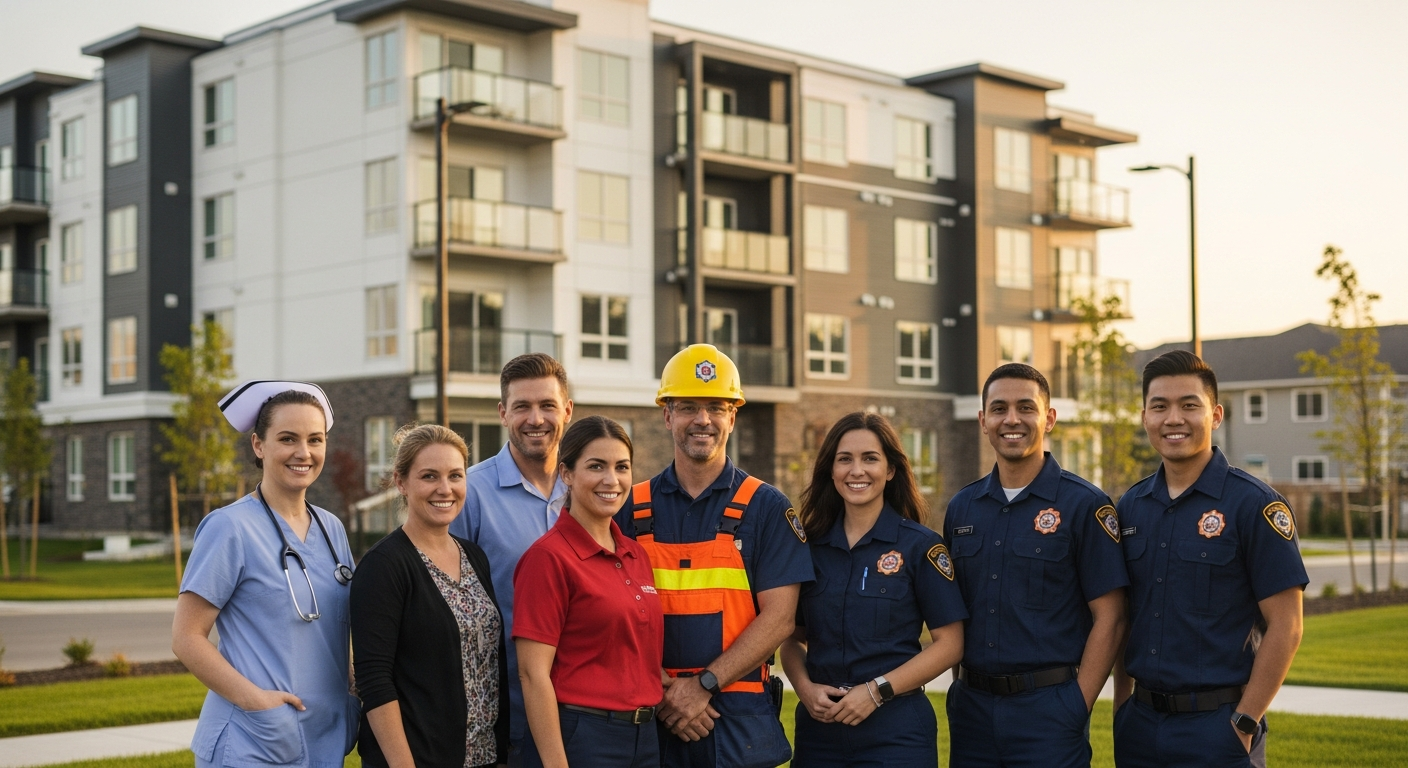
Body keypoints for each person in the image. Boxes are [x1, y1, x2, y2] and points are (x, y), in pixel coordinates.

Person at [613, 343, 812, 768]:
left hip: (737, 726)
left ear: (732, 417)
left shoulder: (767, 507)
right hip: (652, 719)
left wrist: (702, 686)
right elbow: (611, 613)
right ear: (667, 416)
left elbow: (780, 618)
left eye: (716, 407)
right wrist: (670, 691)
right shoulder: (630, 507)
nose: (702, 420)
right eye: (687, 407)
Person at [1112, 351, 1307, 768]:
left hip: (1219, 728)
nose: (1173, 418)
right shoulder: (1130, 507)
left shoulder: (1254, 505)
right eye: (1159, 406)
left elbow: (1286, 626)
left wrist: (1245, 721)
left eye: (1189, 405)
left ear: (1215, 415)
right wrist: (1121, 710)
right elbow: (1125, 617)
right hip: (1140, 727)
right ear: (1145, 417)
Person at [943, 363, 1129, 768]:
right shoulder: (962, 507)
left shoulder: (1085, 505)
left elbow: (1111, 618)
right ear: (983, 421)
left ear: (1049, 418)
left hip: (1049, 710)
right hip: (971, 711)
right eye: (999, 409)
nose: (1012, 419)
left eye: (1026, 407)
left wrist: (1078, 702)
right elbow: (952, 613)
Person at [174, 381, 360, 768]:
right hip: (253, 740)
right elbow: (186, 638)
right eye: (288, 439)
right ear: (259, 445)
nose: (303, 453)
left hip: (323, 737)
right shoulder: (230, 527)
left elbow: (339, 625)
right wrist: (255, 702)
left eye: (315, 439)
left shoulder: (331, 529)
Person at [781, 412, 967, 767]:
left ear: (891, 469)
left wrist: (877, 691)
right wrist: (805, 689)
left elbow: (950, 644)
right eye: (844, 459)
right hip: (820, 733)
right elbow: (792, 638)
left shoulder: (921, 547)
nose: (857, 471)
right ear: (830, 470)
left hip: (896, 732)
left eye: (870, 458)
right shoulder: (809, 547)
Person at [351, 424, 509, 768]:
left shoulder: (473, 556)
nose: (445, 488)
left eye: (455, 475)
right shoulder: (384, 566)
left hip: (483, 757)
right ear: (402, 482)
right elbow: (374, 681)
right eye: (429, 476)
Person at [514, 416, 664, 768]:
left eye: (622, 467)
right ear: (566, 474)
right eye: (596, 466)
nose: (611, 480)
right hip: (581, 737)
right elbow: (532, 675)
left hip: (644, 739)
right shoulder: (548, 558)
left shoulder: (635, 553)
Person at [449, 353, 573, 762]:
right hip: (504, 720)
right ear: (503, 413)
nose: (535, 418)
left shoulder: (591, 490)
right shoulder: (470, 495)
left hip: (588, 714)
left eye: (547, 406)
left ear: (567, 410)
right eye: (522, 406)